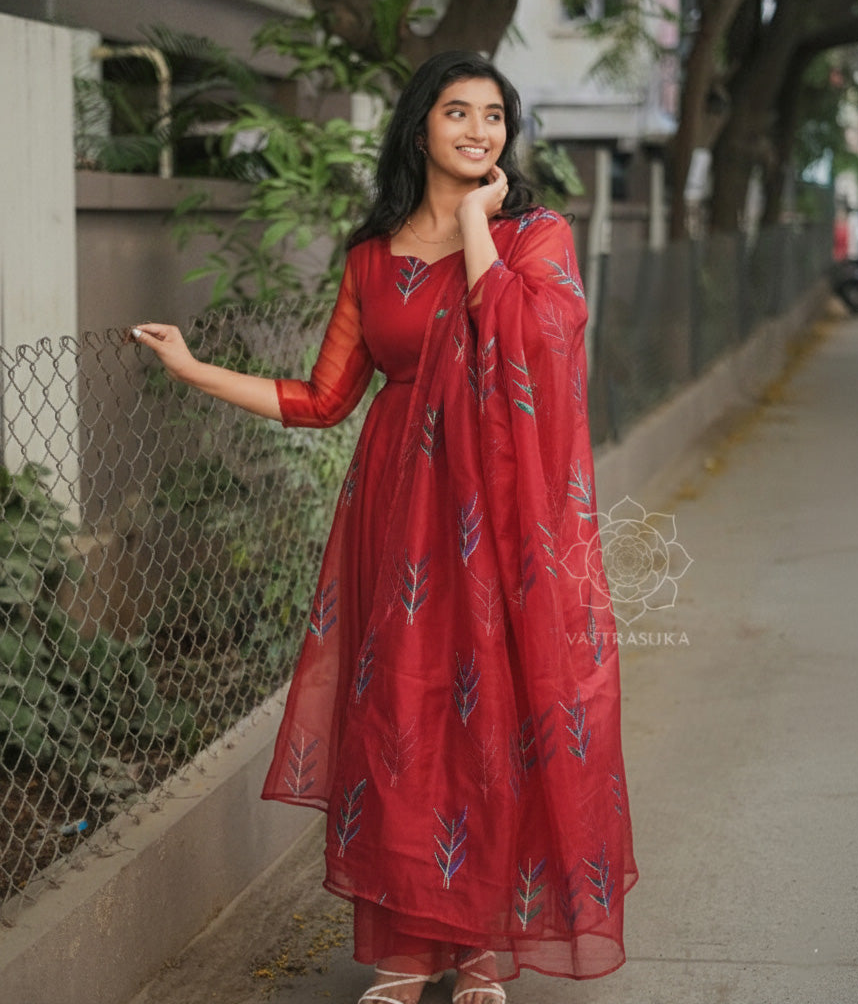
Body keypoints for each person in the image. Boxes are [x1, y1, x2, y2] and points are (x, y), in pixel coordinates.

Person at [133, 50, 637, 1004]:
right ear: (420, 129)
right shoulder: (373, 258)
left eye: (494, 115)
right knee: (405, 718)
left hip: (503, 523)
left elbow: (529, 340)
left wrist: (481, 224)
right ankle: (411, 951)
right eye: (458, 112)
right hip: (401, 521)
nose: (479, 130)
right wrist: (195, 369)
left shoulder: (537, 236)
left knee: (492, 719)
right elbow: (325, 398)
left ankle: (482, 946)